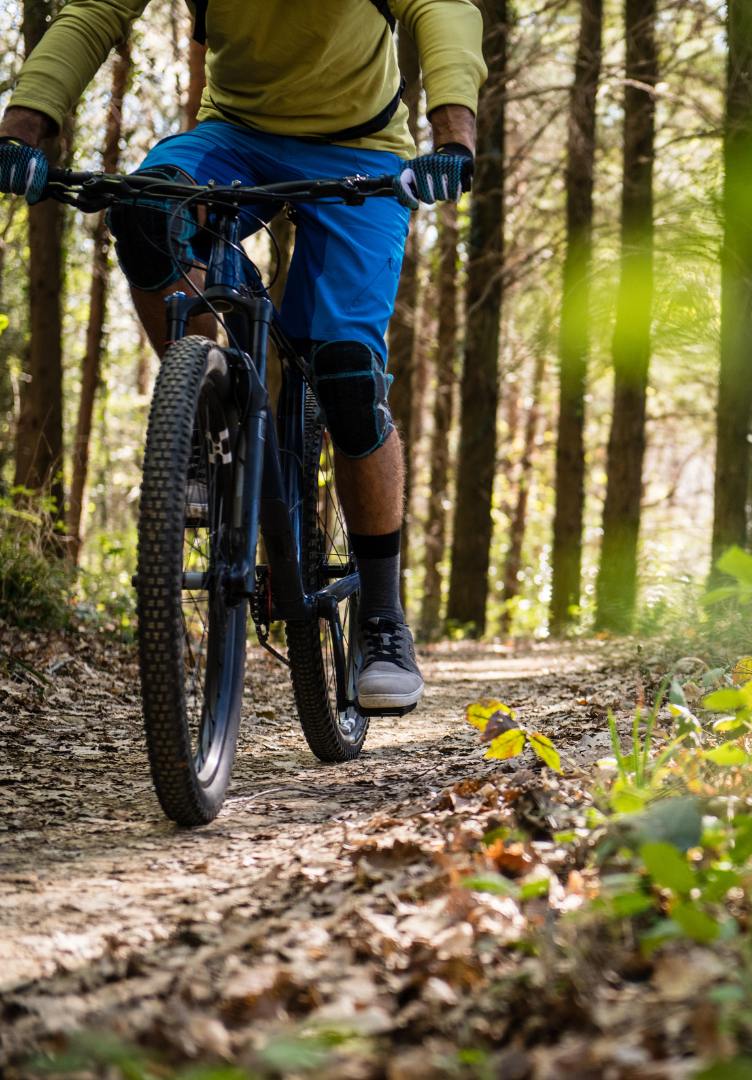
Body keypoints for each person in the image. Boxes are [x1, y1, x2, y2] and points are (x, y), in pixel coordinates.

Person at [0, 0, 488, 714]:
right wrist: (23, 129)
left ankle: (382, 621)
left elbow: (442, 9)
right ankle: (208, 409)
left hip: (364, 148)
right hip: (231, 136)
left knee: (348, 375)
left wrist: (453, 135)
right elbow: (95, 11)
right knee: (146, 216)